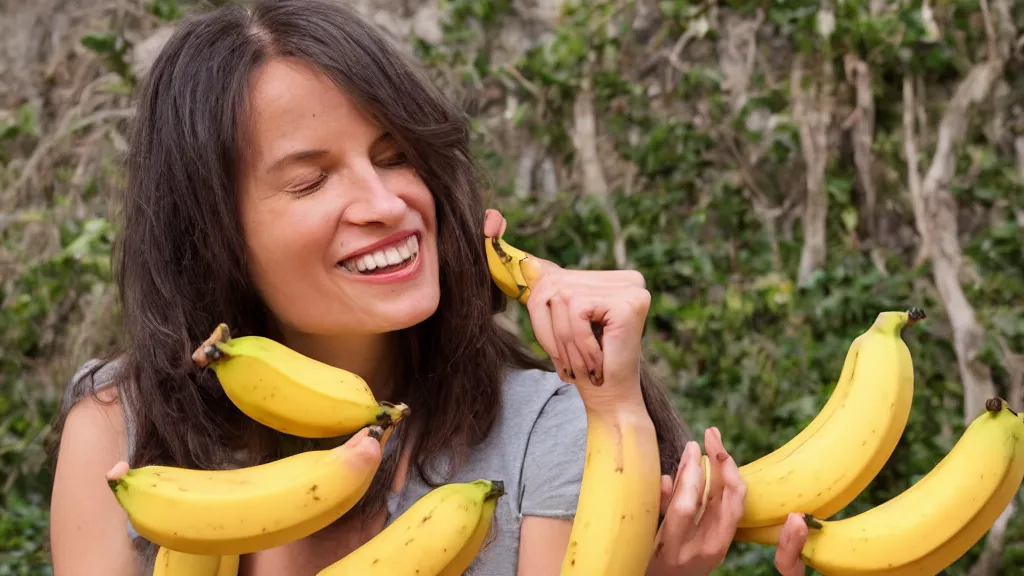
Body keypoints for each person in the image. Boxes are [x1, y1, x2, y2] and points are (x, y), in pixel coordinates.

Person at [46, 0, 810, 574]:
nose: (386, 206)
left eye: (395, 155)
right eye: (310, 181)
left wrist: (616, 405)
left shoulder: (547, 433)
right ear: (210, 233)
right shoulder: (123, 433)